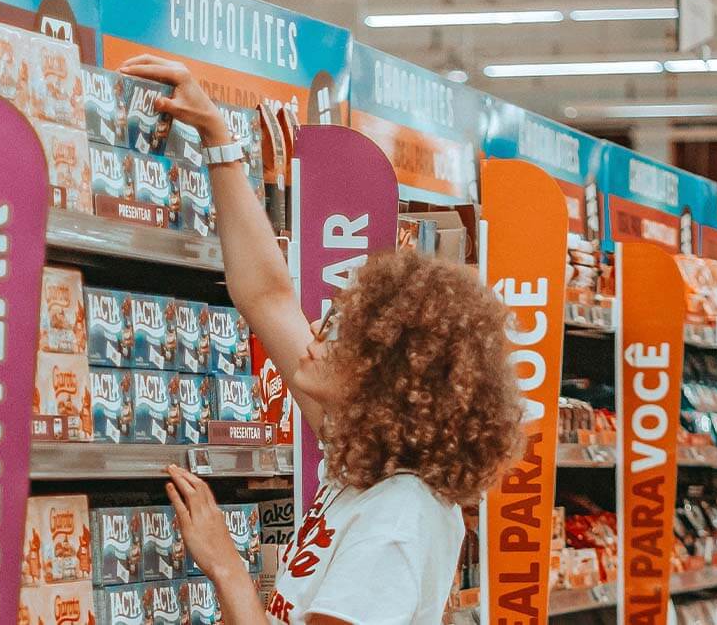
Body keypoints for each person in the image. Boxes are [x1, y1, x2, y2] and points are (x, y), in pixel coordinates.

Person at [118, 55, 524, 625]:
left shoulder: (397, 522)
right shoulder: (364, 470)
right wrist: (218, 138)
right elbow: (267, 298)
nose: (312, 331)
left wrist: (227, 567)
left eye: (337, 332)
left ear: (384, 376)